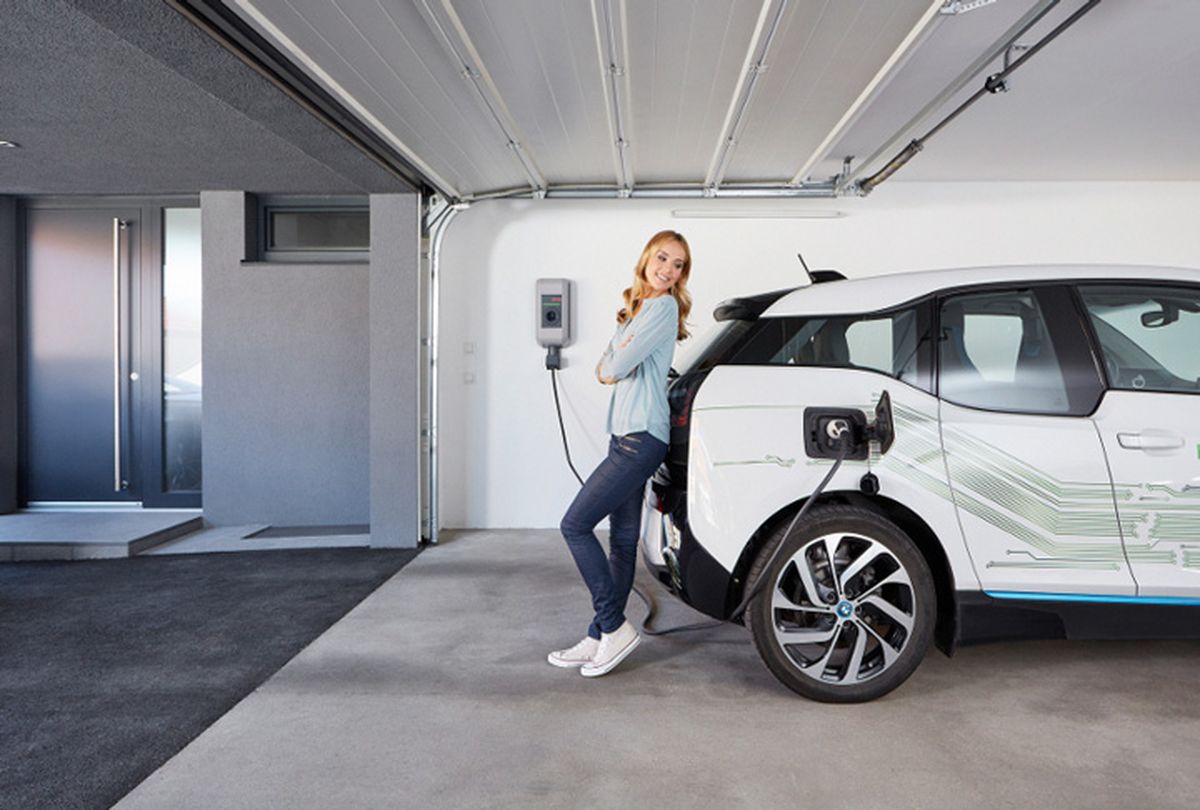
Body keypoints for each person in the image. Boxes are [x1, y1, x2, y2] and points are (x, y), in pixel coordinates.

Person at [550, 230, 692, 677]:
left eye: (679, 265)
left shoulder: (662, 307)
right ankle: (597, 637)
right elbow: (611, 364)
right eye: (664, 258)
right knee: (623, 540)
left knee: (574, 525)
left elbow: (611, 367)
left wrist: (612, 359)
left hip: (640, 439)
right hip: (627, 436)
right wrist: (615, 353)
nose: (668, 270)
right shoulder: (640, 308)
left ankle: (614, 626)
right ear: (647, 256)